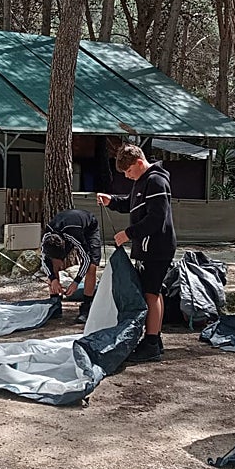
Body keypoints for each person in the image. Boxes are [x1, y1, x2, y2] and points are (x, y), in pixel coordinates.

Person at [97, 144, 176, 362]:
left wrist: (128, 234)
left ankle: (151, 343)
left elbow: (156, 218)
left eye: (129, 171)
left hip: (157, 246)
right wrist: (112, 200)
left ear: (139, 163)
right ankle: (155, 338)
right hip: (146, 247)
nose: (128, 176)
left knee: (151, 293)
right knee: (152, 291)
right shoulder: (142, 181)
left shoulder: (156, 181)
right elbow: (131, 204)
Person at [41, 208, 102, 324]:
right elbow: (44, 261)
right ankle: (55, 303)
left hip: (89, 227)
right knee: (52, 264)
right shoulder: (46, 238)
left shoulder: (73, 234)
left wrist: (76, 282)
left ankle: (86, 307)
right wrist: (53, 279)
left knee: (92, 265)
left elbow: (86, 258)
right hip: (66, 229)